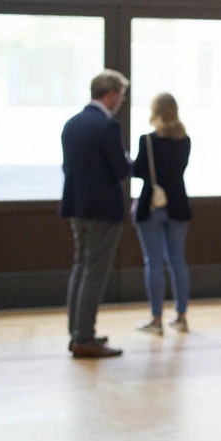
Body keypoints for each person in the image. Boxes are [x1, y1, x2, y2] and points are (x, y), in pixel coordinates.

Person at [60, 69, 134, 359]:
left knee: (80, 267)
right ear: (112, 94)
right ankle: (85, 338)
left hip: (76, 207)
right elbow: (122, 170)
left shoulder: (72, 124)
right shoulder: (107, 127)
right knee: (95, 273)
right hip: (102, 210)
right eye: (121, 96)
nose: (121, 102)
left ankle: (77, 330)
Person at [131, 93, 192, 335]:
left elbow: (137, 171)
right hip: (178, 204)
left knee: (154, 262)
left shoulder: (147, 141)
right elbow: (178, 170)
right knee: (178, 261)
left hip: (151, 205)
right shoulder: (185, 141)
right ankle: (181, 316)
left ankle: (156, 320)